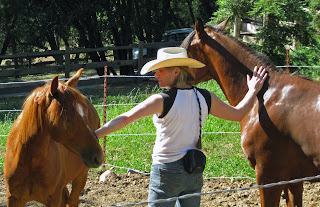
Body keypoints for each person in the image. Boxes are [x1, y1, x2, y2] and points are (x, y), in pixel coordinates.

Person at [94, 47, 267, 207]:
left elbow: (125, 118)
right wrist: (252, 90)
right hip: (193, 171)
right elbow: (237, 114)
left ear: (176, 71)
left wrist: (96, 134)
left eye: (160, 70)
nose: (156, 75)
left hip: (166, 172)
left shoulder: (161, 100)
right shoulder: (206, 97)